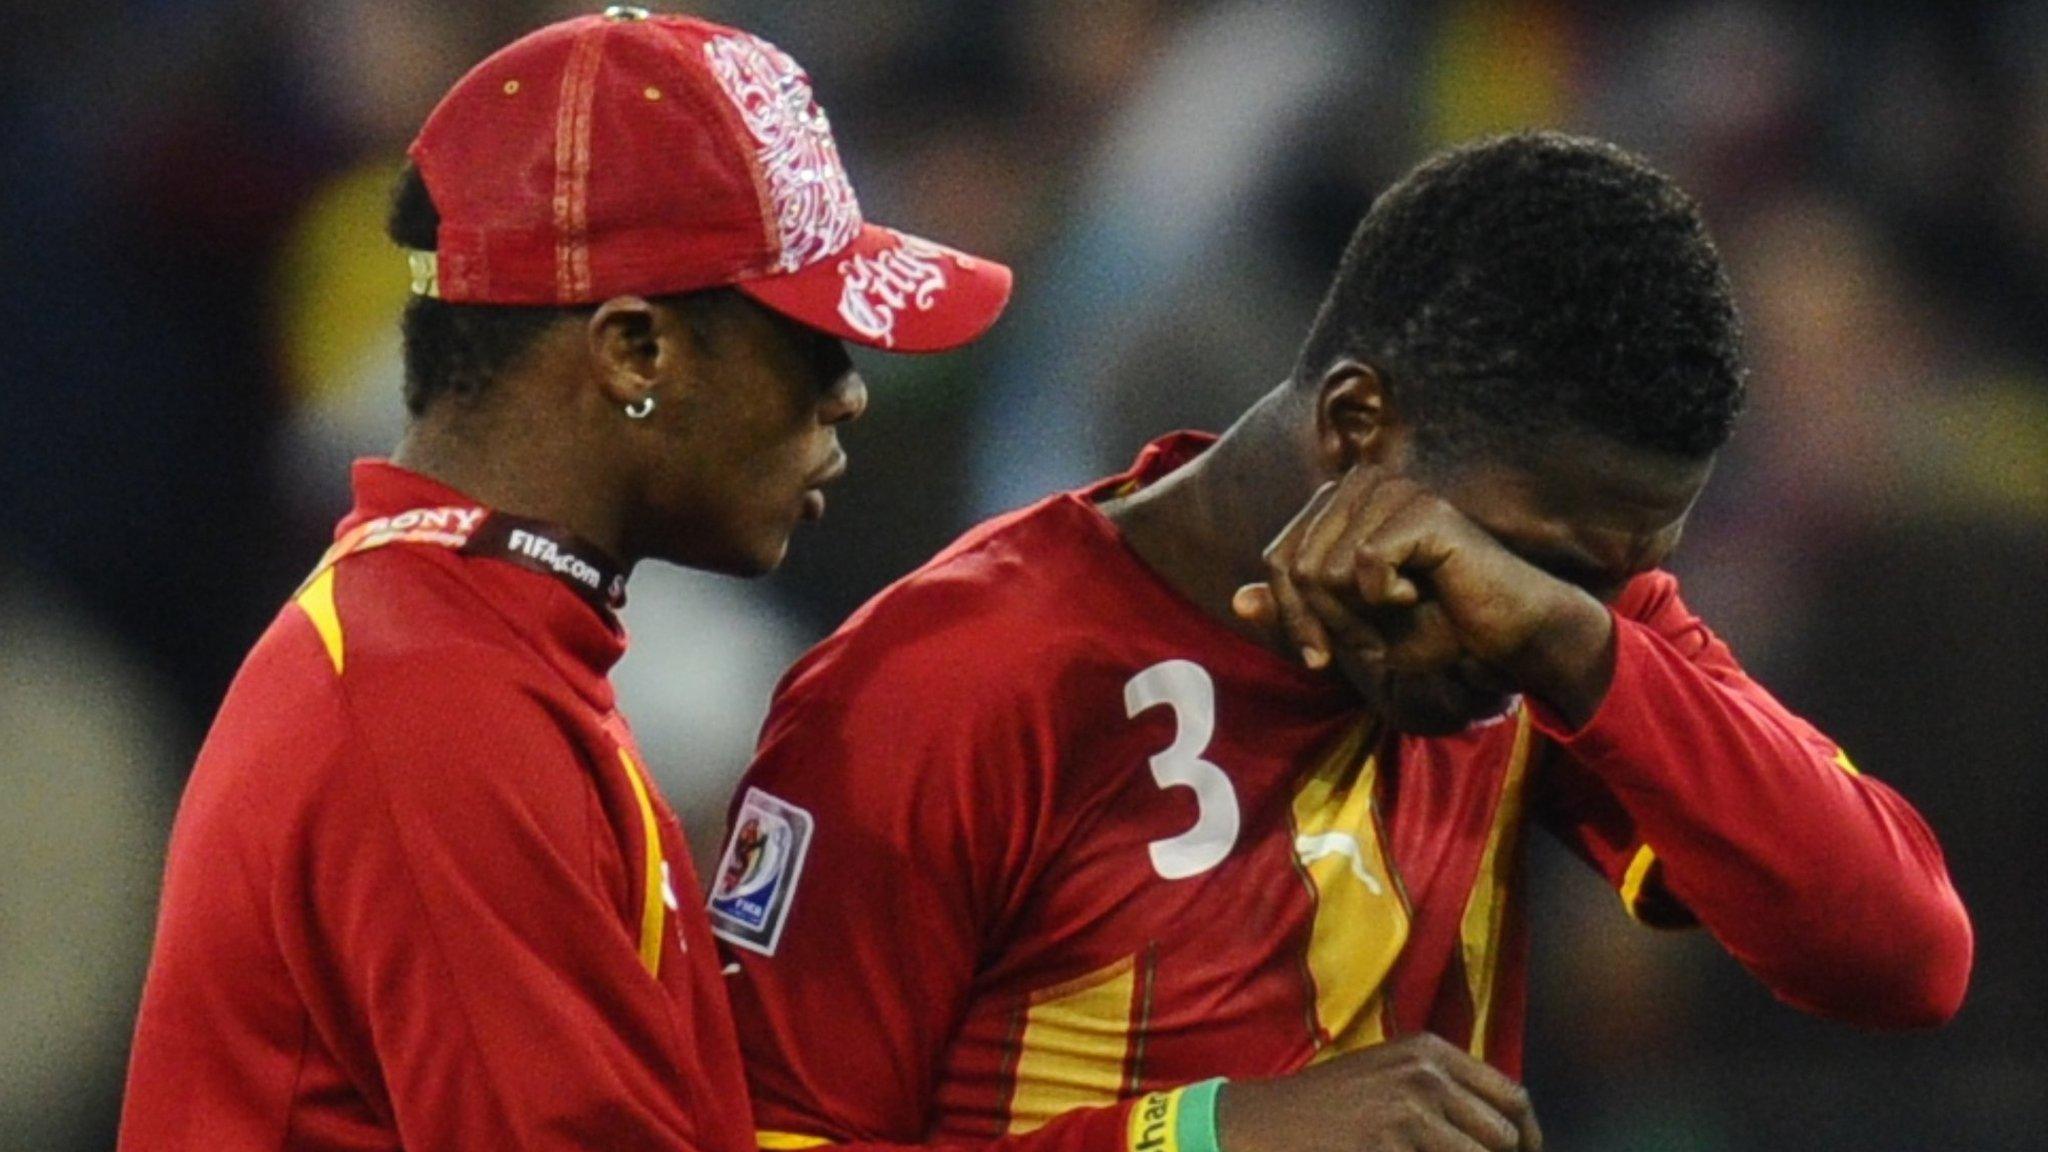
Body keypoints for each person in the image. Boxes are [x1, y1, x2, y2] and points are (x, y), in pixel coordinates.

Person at [708, 133, 1972, 1152]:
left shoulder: (1559, 633)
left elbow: (1899, 956)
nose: (1516, 604)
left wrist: (1579, 642)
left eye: (1600, 579)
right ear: (1357, 422)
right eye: (1523, 558)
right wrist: (1201, 1139)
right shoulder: (945, 683)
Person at [118, 9, 1010, 1150]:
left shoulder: (476, 646)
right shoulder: (429, 707)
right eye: (807, 341)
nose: (846, 395)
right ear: (633, 351)